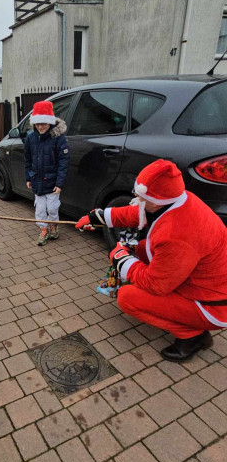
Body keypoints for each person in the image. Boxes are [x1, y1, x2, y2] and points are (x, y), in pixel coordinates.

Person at [76, 159, 227, 362]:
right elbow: (139, 212)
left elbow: (156, 285)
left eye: (140, 196)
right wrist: (98, 218)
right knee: (140, 248)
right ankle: (189, 323)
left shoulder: (177, 234)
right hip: (202, 282)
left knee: (128, 297)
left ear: (155, 201)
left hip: (212, 305)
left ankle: (194, 336)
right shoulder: (176, 199)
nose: (135, 197)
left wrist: (121, 259)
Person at [24, 100, 69, 246]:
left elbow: (63, 162)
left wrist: (60, 183)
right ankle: (43, 230)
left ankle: (53, 225)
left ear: (50, 122)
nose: (41, 126)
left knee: (52, 208)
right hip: (37, 181)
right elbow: (27, 159)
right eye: (38, 123)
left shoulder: (58, 139)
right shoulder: (30, 138)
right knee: (40, 209)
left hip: (52, 182)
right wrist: (28, 177)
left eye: (44, 123)